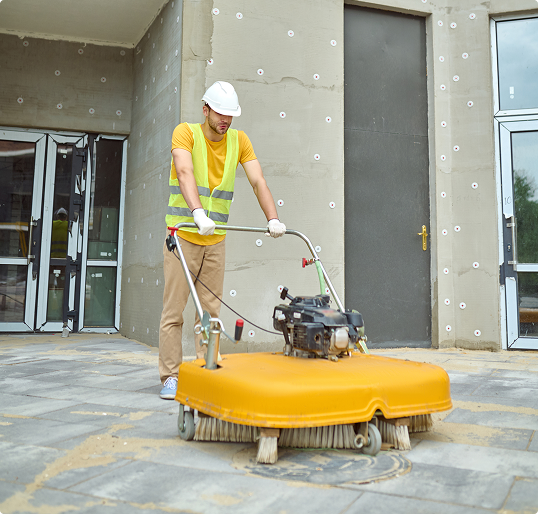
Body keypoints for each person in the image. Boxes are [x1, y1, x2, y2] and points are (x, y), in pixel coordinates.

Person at [158, 81, 286, 399]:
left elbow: (258, 181)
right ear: (206, 110)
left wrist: (273, 218)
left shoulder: (239, 141)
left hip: (215, 241)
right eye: (220, 113)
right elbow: (185, 172)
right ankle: (170, 377)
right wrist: (198, 213)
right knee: (174, 311)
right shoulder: (185, 133)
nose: (225, 119)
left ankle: (207, 372)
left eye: (231, 114)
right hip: (183, 236)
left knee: (211, 313)